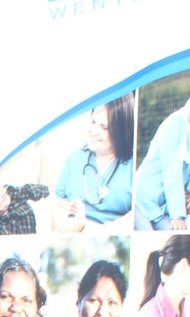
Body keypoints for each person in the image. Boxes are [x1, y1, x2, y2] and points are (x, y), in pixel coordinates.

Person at [51, 96, 135, 229]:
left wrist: (101, 229)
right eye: (93, 122)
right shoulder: (74, 159)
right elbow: (57, 203)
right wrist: (64, 228)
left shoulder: (133, 166)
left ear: (121, 130)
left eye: (104, 127)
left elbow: (137, 214)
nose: (93, 131)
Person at [134, 89, 190, 230]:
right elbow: (172, 172)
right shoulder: (174, 123)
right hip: (141, 201)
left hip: (162, 209)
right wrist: (177, 216)